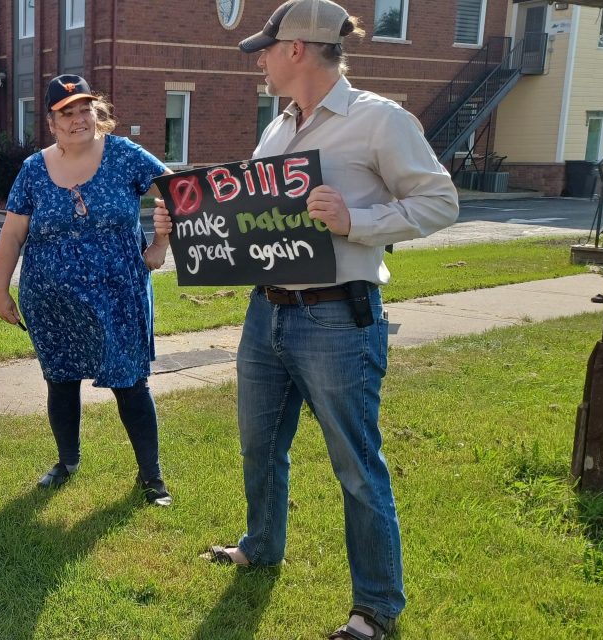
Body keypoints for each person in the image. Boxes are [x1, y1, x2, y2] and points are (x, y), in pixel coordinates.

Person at [153, 2, 458, 637]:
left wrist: (356, 221)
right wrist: (182, 225)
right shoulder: (276, 130)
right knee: (260, 446)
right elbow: (251, 219)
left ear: (296, 50)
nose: (259, 62)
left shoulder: (379, 119)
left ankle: (375, 608)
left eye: (265, 50)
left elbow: (440, 200)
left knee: (356, 465)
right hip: (265, 312)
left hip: (338, 319)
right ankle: (261, 545)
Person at [0, 75, 174, 506]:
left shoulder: (125, 155)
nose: (78, 119)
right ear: (51, 123)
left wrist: (160, 244)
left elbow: (181, 193)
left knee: (130, 382)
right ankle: (67, 462)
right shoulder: (34, 169)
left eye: (85, 109)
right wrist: (0, 290)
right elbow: (13, 233)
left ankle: (151, 477)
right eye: (67, 113)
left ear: (98, 112)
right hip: (51, 299)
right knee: (60, 379)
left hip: (119, 297)